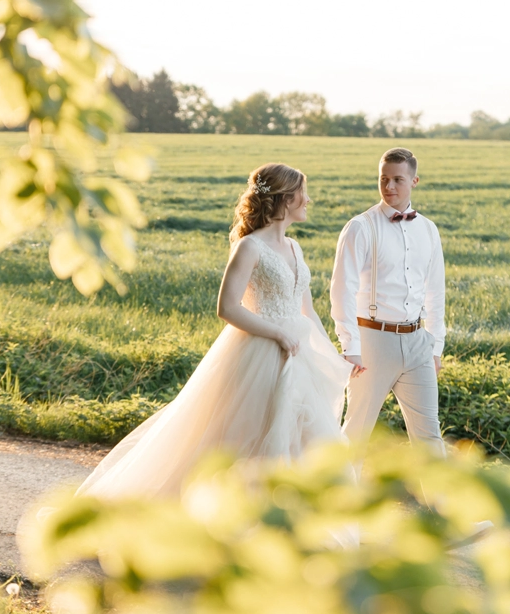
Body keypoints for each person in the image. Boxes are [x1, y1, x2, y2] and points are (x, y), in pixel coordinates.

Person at [77, 163, 352, 500]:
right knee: (248, 436)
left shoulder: (295, 248)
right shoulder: (250, 247)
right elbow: (228, 307)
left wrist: (331, 354)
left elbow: (306, 310)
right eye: (303, 193)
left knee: (304, 436)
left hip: (299, 353)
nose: (308, 200)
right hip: (261, 352)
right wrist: (277, 334)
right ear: (285, 198)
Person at [330, 147, 446, 453]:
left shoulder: (428, 230)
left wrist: (436, 346)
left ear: (414, 181)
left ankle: (435, 502)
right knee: (355, 432)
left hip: (418, 341)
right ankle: (344, 497)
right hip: (372, 342)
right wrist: (350, 346)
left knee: (429, 436)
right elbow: (342, 289)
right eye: (383, 179)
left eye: (397, 179)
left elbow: (435, 290)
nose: (389, 187)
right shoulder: (361, 227)